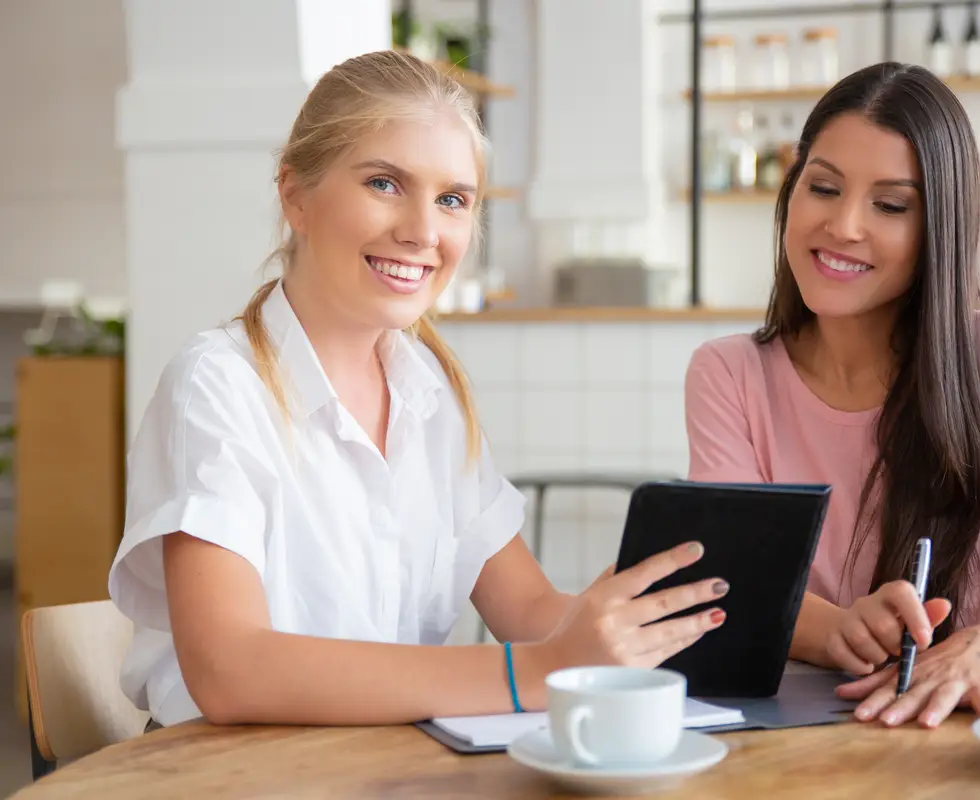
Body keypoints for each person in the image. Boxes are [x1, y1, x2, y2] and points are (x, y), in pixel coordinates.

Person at [108, 50, 727, 729]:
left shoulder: (432, 393)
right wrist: (535, 673)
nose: (423, 232)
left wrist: (640, 610)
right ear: (296, 197)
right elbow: (232, 671)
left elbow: (528, 611)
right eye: (384, 183)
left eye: (453, 200)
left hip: (382, 770)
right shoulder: (219, 385)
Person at [683, 62, 980, 730]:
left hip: (979, 739)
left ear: (937, 231)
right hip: (809, 745)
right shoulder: (728, 373)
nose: (844, 226)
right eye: (824, 187)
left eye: (891, 205)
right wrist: (838, 630)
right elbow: (735, 590)